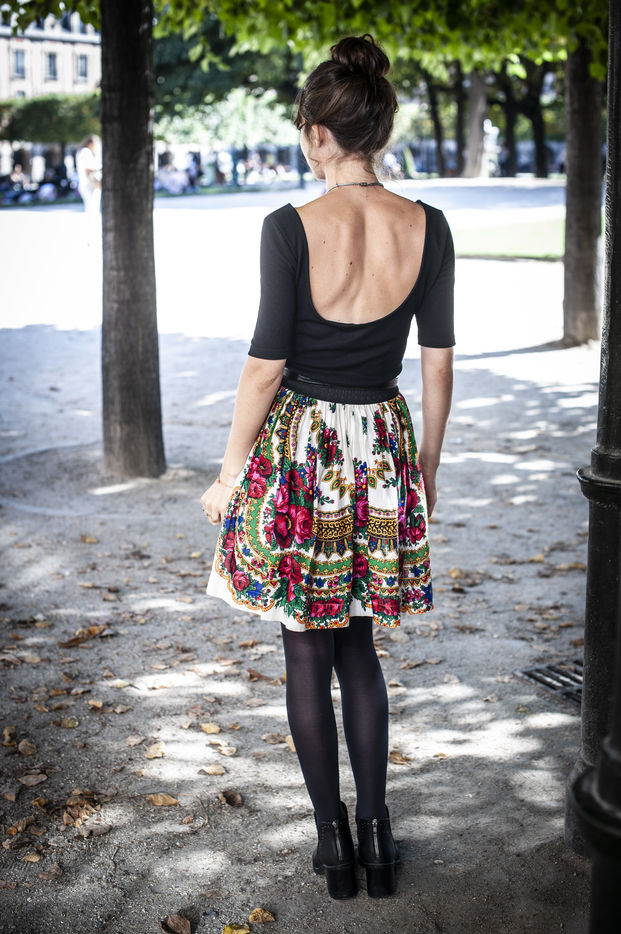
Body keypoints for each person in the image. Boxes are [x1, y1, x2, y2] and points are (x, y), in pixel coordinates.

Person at [200, 33, 454, 901]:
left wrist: (230, 473)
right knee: (360, 649)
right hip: (381, 442)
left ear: (316, 133)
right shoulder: (428, 224)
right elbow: (438, 364)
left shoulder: (288, 227)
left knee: (305, 651)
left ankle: (333, 845)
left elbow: (264, 367)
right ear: (378, 130)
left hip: (302, 448)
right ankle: (379, 839)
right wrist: (423, 468)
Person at [75, 134, 101, 245]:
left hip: (86, 184)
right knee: (93, 212)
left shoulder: (81, 152)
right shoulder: (86, 152)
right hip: (90, 185)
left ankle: (91, 237)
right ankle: (92, 237)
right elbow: (89, 168)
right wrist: (100, 167)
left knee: (91, 211)